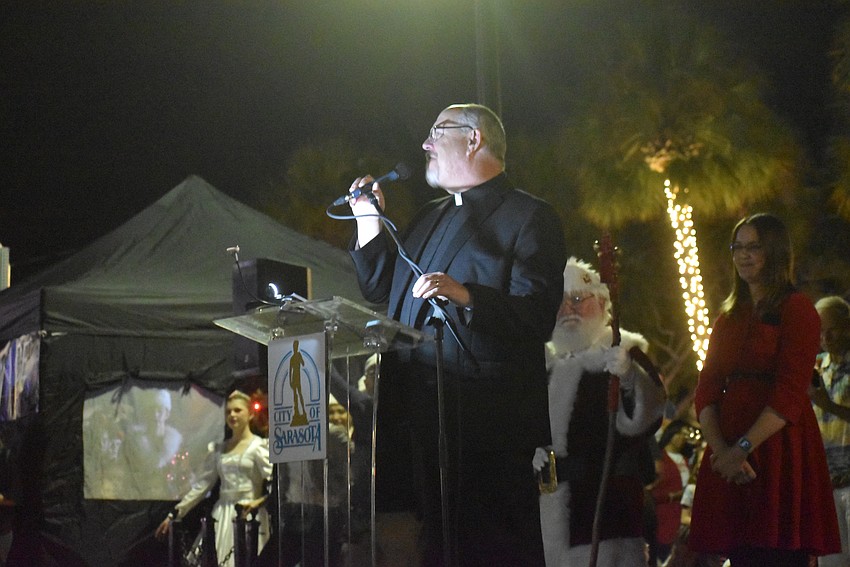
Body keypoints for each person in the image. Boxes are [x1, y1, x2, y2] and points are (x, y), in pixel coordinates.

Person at [347, 103, 567, 565]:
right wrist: (369, 221)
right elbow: (381, 290)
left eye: (437, 132)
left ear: (474, 139)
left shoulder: (529, 216)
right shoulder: (428, 216)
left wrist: (467, 297)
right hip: (420, 420)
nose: (425, 144)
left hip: (487, 428)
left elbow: (536, 317)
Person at [689, 213, 840, 566]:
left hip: (778, 452)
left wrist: (741, 448)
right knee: (743, 553)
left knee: (779, 551)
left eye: (753, 247)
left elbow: (789, 392)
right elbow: (707, 388)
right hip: (731, 452)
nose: (743, 255)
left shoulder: (797, 309)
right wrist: (723, 452)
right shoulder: (728, 317)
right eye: (737, 247)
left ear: (773, 251)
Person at [531, 257, 666, 567]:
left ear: (604, 303)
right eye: (561, 303)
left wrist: (631, 376)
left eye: (578, 299)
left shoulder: (623, 351)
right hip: (551, 518)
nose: (569, 310)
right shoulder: (545, 368)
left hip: (607, 519)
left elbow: (648, 414)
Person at [155, 390, 273, 567]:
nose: (232, 415)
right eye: (228, 411)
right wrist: (176, 513)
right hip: (222, 514)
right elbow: (202, 486)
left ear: (250, 414)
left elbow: (275, 483)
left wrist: (259, 502)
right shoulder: (219, 449)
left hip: (248, 515)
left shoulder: (258, 447)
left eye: (237, 410)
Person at [810, 295, 850, 566]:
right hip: (827, 486)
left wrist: (828, 405)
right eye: (820, 331)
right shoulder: (816, 368)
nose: (826, 337)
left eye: (831, 329)